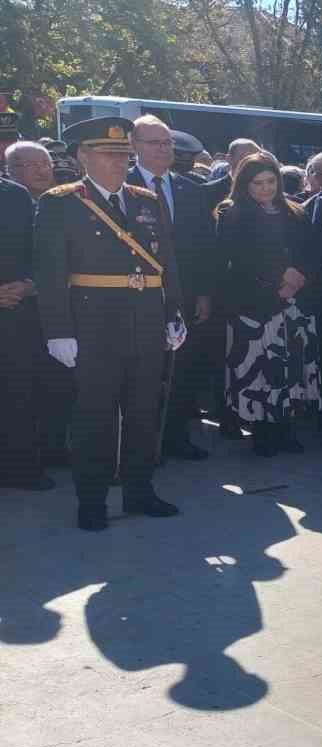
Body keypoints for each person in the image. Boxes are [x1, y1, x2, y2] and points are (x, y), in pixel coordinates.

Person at [34, 117, 186, 530]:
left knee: (143, 413)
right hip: (93, 325)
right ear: (83, 156)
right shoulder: (61, 202)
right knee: (94, 416)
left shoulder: (145, 200)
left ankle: (140, 491)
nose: (120, 162)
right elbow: (50, 273)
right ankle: (92, 499)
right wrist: (58, 331)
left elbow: (165, 263)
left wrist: (173, 311)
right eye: (109, 154)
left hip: (145, 321)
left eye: (124, 154)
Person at [216, 153, 320, 456]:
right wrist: (278, 276)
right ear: (243, 184)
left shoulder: (296, 211)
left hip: (295, 301)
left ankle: (286, 428)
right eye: (257, 183)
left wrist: (298, 276)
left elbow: (313, 250)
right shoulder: (232, 213)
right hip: (255, 303)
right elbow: (234, 257)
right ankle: (263, 433)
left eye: (271, 181)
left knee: (290, 367)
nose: (265, 188)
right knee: (259, 369)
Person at [127, 115, 218, 462]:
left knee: (182, 369)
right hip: (136, 294)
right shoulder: (122, 183)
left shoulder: (190, 188)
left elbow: (205, 247)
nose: (164, 148)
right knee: (143, 373)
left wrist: (204, 293)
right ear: (134, 147)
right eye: (154, 142)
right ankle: (141, 446)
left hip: (185, 293)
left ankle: (175, 437)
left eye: (166, 142)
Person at [0, 168, 51, 491]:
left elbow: (41, 252)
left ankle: (19, 467)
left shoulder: (15, 195)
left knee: (18, 394)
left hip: (15, 313)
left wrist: (29, 285)